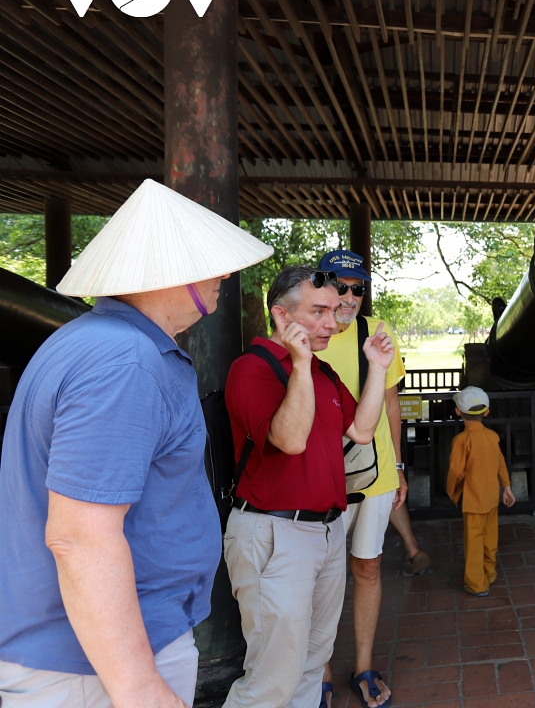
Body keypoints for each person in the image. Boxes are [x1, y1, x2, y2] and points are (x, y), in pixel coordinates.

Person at [0, 179, 272, 708]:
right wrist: (139, 686)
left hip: (103, 646)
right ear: (169, 271)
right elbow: (81, 538)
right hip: (97, 663)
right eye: (211, 261)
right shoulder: (123, 361)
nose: (225, 274)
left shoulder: (96, 340)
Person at [223, 265, 395, 708]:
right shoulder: (252, 369)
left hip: (325, 530)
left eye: (335, 311)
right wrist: (299, 363)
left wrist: (377, 368)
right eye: (319, 312)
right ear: (281, 316)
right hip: (276, 532)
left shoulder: (321, 372)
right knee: (271, 678)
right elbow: (290, 439)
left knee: (311, 661)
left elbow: (360, 429)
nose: (332, 322)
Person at [315, 250, 427, 708]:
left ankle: (363, 665)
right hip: (320, 476)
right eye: (339, 286)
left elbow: (393, 405)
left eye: (357, 288)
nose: (348, 296)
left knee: (369, 566)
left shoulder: (379, 333)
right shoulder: (303, 332)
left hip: (376, 470)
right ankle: (318, 669)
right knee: (319, 576)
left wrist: (399, 466)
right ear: (322, 285)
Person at [446, 387, 516, 597]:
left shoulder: (461, 441)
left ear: (458, 411)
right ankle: (489, 572)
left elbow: (456, 472)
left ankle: (477, 584)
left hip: (473, 500)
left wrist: (453, 492)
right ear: (487, 412)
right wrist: (507, 487)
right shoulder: (492, 436)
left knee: (474, 541)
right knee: (490, 537)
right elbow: (500, 463)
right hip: (492, 497)